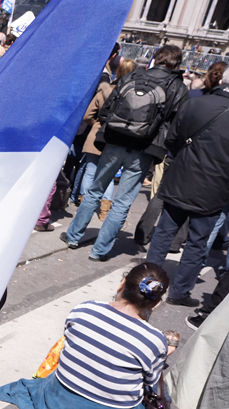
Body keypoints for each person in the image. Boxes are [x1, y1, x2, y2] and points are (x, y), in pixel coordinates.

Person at [0, 263, 172, 409]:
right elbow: (150, 384)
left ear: (122, 284)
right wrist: (163, 354)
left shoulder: (85, 309)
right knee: (161, 390)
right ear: (154, 304)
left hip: (56, 398)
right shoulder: (154, 340)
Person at [61, 45, 187, 261]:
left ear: (156, 58)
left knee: (95, 190)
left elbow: (107, 109)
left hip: (115, 141)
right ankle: (99, 251)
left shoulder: (133, 76)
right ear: (176, 64)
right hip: (145, 148)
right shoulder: (178, 87)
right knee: (122, 201)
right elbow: (177, 126)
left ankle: (73, 236)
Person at [145, 69, 229, 307]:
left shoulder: (195, 102)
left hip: (182, 176)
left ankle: (147, 280)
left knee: (163, 232)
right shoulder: (198, 102)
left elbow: (172, 139)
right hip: (216, 187)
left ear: (222, 81)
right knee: (197, 242)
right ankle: (179, 291)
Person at [72, 58, 136, 218]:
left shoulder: (105, 90)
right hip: (117, 138)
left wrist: (96, 124)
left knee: (90, 171)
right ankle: (104, 210)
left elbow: (88, 115)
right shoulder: (133, 95)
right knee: (108, 173)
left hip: (96, 135)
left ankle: (84, 205)